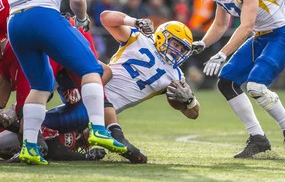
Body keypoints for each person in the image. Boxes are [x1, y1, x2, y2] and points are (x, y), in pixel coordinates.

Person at [42, 11, 200, 163]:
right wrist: (134, 21)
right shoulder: (139, 38)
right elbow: (105, 18)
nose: (177, 51)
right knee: (103, 70)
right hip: (89, 83)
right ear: (162, 36)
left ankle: (28, 124)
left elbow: (193, 114)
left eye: (182, 49)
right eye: (175, 44)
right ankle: (47, 89)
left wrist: (190, 101)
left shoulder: (175, 75)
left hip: (96, 113)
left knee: (55, 130)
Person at [7, 0, 127, 165]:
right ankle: (98, 128)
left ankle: (29, 146)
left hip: (15, 23)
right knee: (91, 68)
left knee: (40, 85)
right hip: (43, 15)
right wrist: (82, 18)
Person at [192, 0, 285, 158]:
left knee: (256, 86)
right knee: (227, 82)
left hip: (281, 33)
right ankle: (258, 138)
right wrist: (203, 43)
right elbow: (220, 25)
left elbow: (246, 26)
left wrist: (223, 53)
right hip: (261, 35)